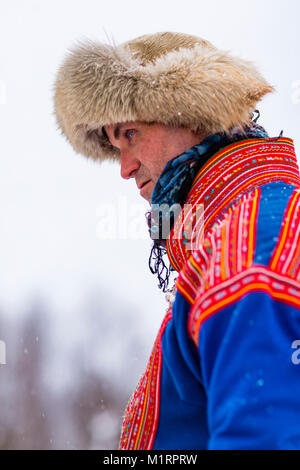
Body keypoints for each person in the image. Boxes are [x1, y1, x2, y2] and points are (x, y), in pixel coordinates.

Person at [53, 32, 300, 450]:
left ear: (190, 115)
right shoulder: (229, 234)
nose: (124, 169)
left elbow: (263, 436)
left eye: (130, 134)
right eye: (114, 148)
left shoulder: (250, 241)